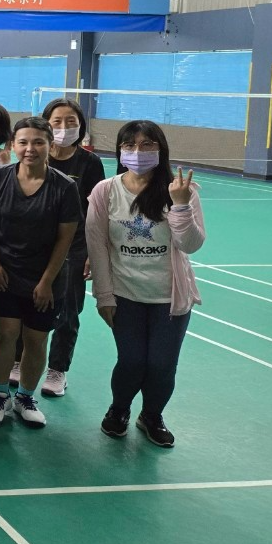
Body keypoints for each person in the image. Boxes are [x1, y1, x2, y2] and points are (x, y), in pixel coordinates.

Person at [87, 121, 203, 448]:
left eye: (147, 144)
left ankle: (152, 415)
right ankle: (119, 409)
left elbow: (191, 244)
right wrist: (103, 296)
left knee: (162, 365)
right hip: (125, 295)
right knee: (132, 361)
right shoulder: (105, 191)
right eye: (130, 145)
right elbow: (97, 246)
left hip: (170, 297)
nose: (138, 151)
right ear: (120, 151)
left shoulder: (182, 191)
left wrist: (181, 205)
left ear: (161, 149)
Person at [0, 118, 81, 429]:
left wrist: (46, 282)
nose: (30, 148)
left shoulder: (64, 187)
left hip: (46, 279)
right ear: (13, 145)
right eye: (23, 142)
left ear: (50, 146)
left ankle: (25, 397)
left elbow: (65, 239)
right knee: (6, 334)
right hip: (5, 275)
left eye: (38, 142)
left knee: (36, 339)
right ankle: (0, 394)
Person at [41, 98, 107, 398]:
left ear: (80, 126)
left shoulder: (89, 163)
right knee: (26, 305)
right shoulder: (37, 154)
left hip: (75, 246)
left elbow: (98, 211)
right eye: (57, 121)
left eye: (71, 122)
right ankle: (19, 360)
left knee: (68, 310)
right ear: (46, 123)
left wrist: (93, 252)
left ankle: (57, 369)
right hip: (35, 243)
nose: (63, 127)